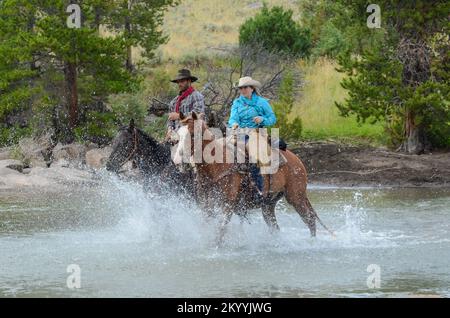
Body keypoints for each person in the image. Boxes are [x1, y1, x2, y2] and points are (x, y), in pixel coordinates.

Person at [228, 76, 276, 199]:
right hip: (239, 132)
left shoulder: (261, 102)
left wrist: (262, 119)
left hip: (257, 133)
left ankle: (259, 190)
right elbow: (232, 118)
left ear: (252, 88)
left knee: (253, 154)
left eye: (245, 87)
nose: (242, 90)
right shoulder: (236, 103)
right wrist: (234, 123)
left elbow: (272, 118)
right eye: (241, 88)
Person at [166, 69, 206, 139]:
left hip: (192, 133)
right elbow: (170, 120)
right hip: (176, 135)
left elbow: (198, 114)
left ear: (189, 81)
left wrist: (179, 116)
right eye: (178, 82)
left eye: (182, 81)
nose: (179, 84)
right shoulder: (174, 101)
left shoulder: (196, 96)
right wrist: (170, 129)